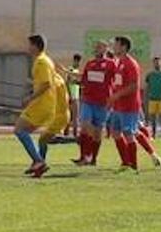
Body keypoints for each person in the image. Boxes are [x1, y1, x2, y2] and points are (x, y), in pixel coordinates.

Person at [14, 34, 62, 177]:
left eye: (29, 45)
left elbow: (46, 84)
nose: (27, 47)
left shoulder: (41, 62)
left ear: (35, 46)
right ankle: (37, 162)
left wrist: (30, 97)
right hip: (45, 104)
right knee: (23, 131)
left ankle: (39, 161)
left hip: (41, 104)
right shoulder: (45, 60)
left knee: (19, 130)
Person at [73, 41, 117, 166]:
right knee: (85, 125)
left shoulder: (111, 64)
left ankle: (93, 159)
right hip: (88, 100)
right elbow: (84, 80)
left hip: (103, 103)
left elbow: (118, 79)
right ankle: (84, 156)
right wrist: (75, 80)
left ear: (106, 49)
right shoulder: (90, 63)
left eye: (100, 47)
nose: (97, 49)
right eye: (96, 46)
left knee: (97, 133)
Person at [107, 36, 144, 173]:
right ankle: (125, 162)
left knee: (128, 133)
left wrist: (117, 95)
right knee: (115, 133)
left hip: (129, 106)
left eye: (116, 44)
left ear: (123, 47)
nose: (113, 47)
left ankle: (134, 165)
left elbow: (134, 86)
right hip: (118, 106)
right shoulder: (118, 62)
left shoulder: (130, 63)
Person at [144, 56, 161, 138]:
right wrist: (145, 97)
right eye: (155, 62)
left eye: (158, 62)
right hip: (152, 99)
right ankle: (154, 134)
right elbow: (147, 87)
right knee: (153, 118)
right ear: (153, 63)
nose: (157, 64)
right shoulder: (150, 75)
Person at [65, 53, 82, 138]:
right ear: (74, 61)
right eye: (77, 61)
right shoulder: (71, 70)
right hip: (72, 96)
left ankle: (69, 133)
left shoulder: (77, 71)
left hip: (76, 96)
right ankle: (72, 134)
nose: (78, 63)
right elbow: (67, 83)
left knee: (74, 116)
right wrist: (70, 95)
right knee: (74, 116)